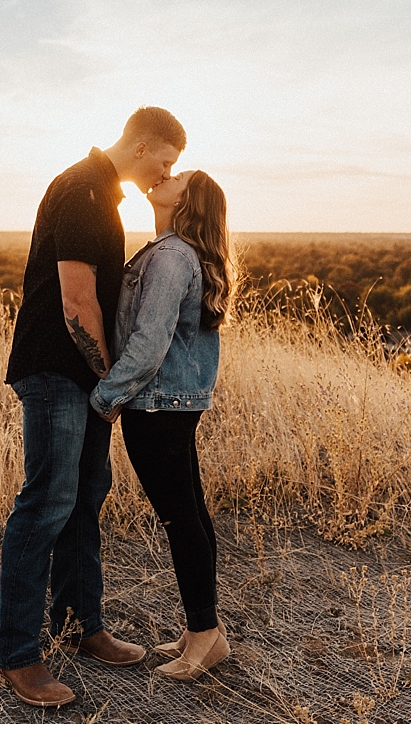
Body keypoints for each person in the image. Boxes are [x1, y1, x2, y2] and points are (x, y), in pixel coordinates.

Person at [0, 107, 187, 708]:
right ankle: (16, 655)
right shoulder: (80, 189)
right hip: (55, 371)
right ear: (144, 143)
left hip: (84, 380)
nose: (166, 172)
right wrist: (110, 383)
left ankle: (79, 628)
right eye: (166, 160)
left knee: (83, 498)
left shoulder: (107, 196)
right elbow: (77, 304)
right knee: (46, 502)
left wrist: (105, 386)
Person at [89, 169, 236, 681]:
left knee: (181, 519)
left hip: (155, 407)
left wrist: (106, 396)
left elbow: (149, 344)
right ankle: (206, 631)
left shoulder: (171, 257)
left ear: (187, 200)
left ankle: (201, 642)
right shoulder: (172, 252)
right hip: (172, 403)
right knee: (190, 512)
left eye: (178, 176)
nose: (164, 176)